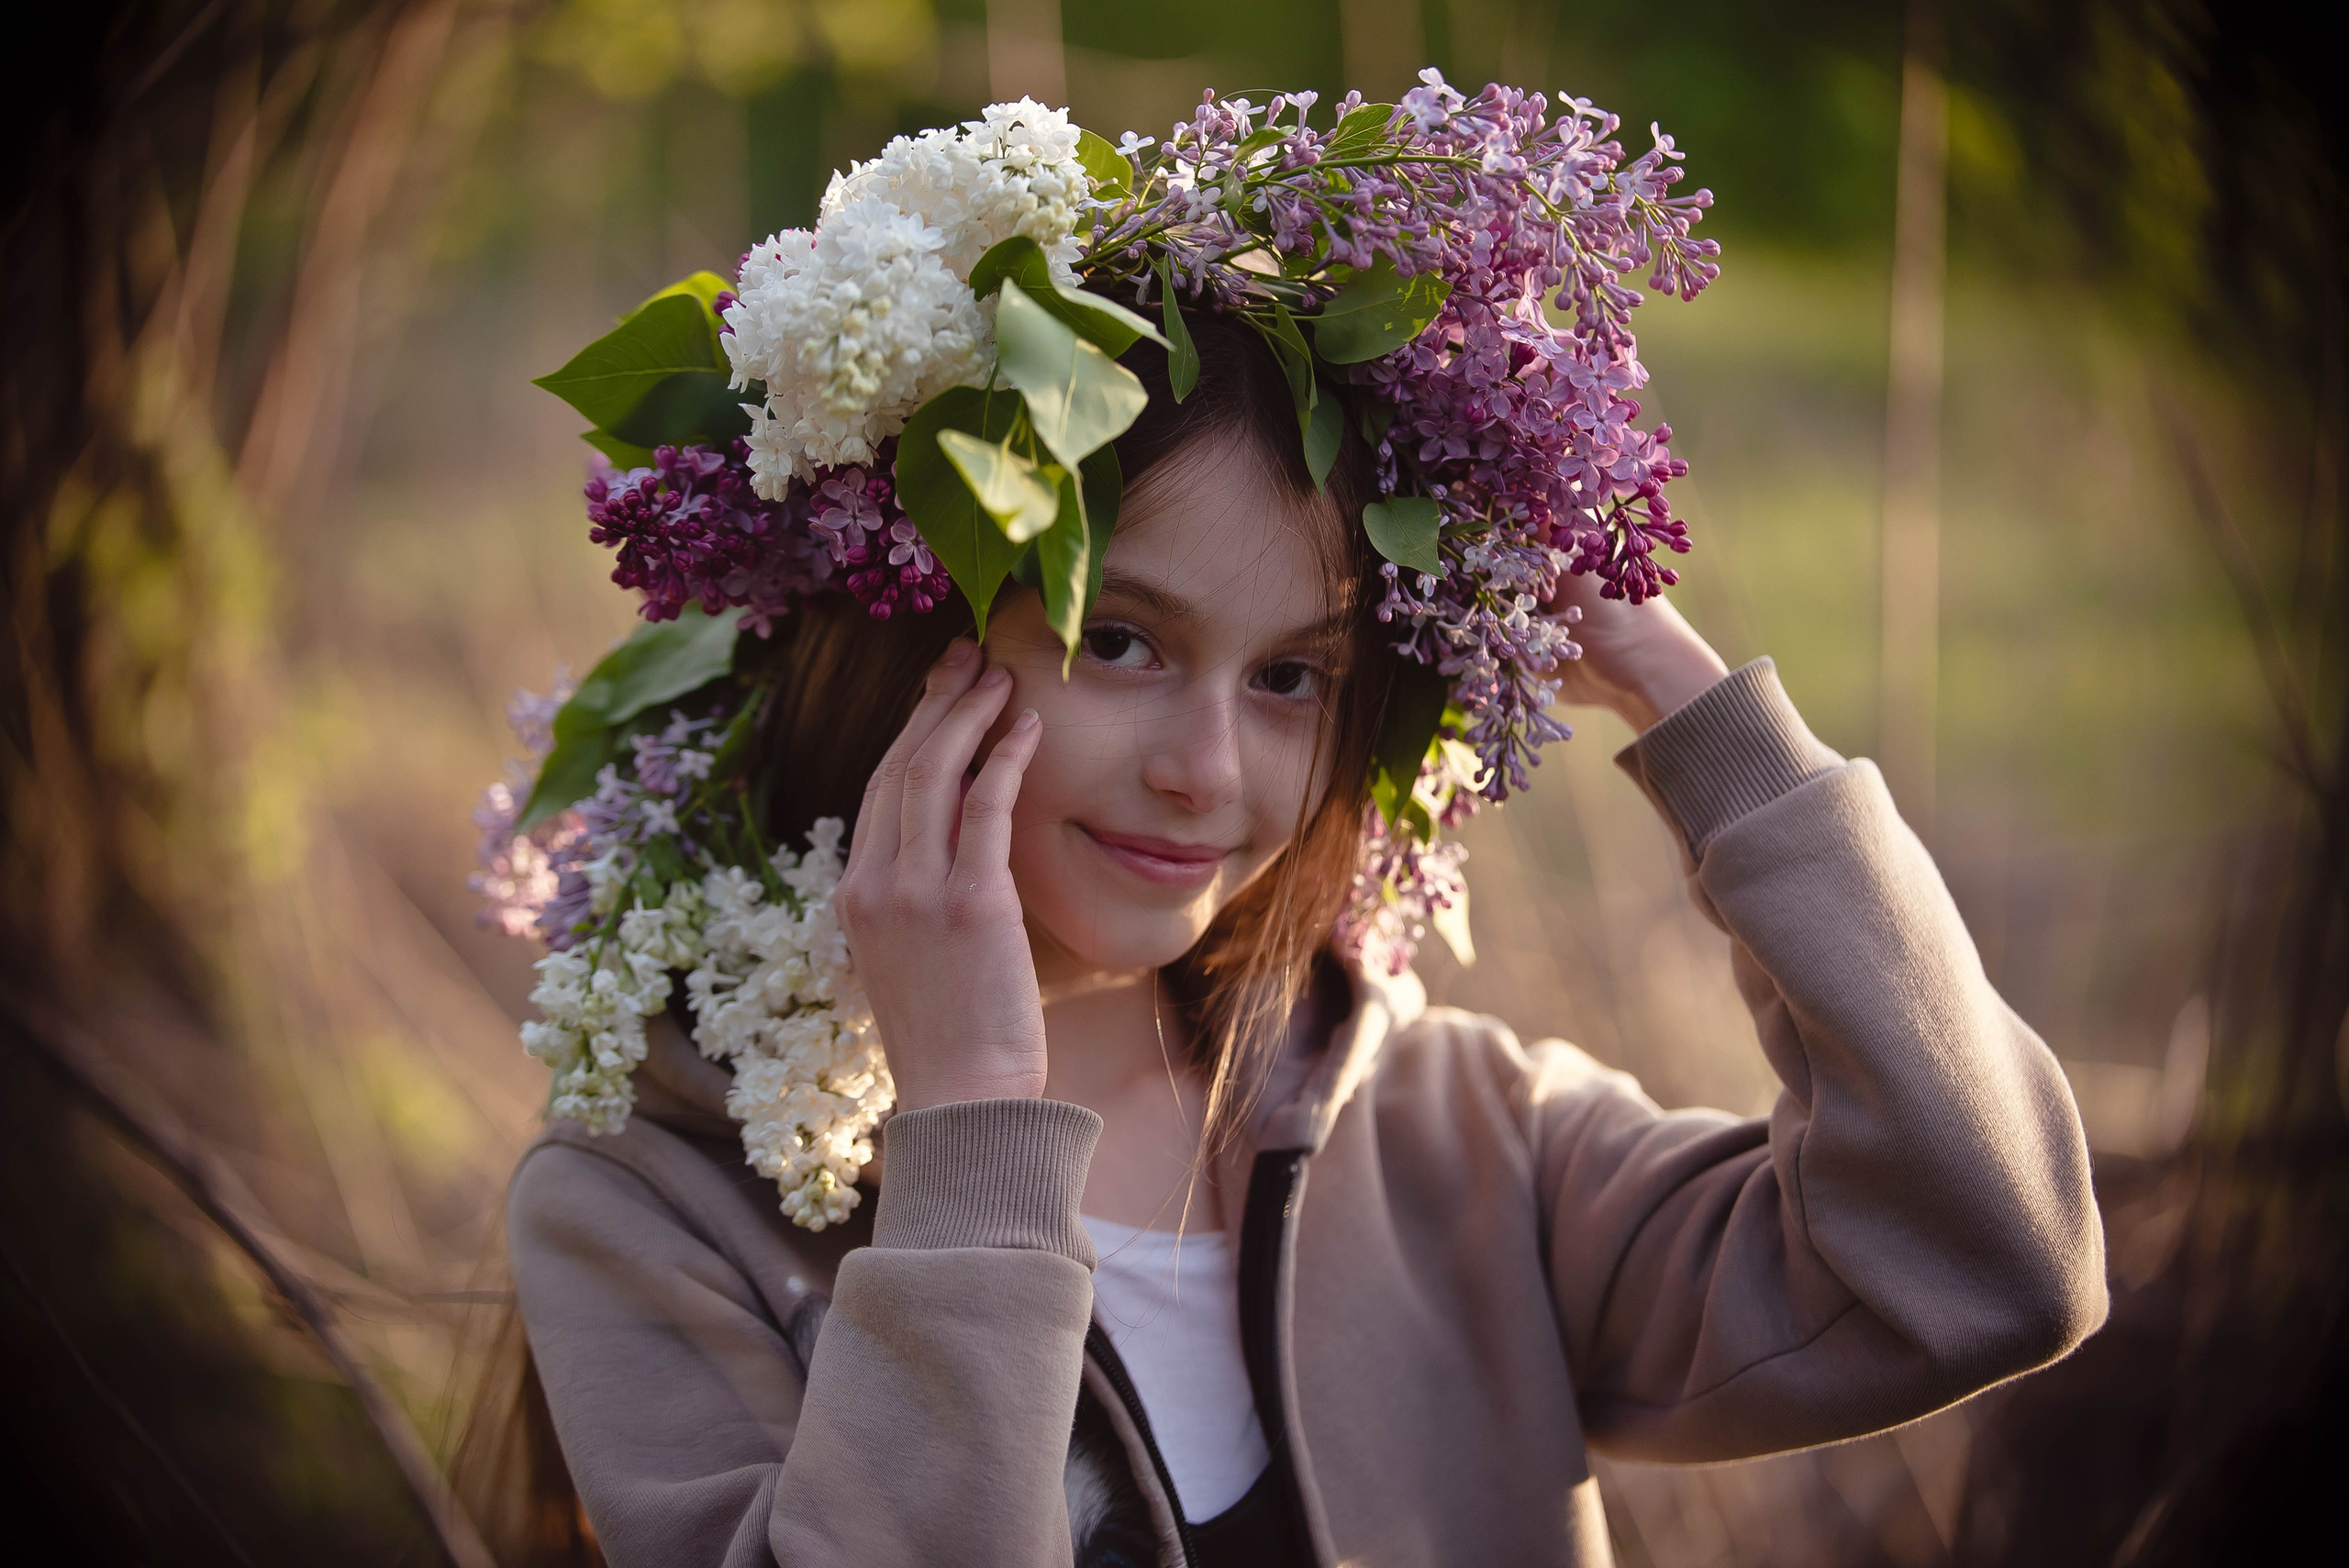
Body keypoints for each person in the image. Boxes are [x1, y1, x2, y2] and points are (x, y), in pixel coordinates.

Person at [469, 302, 2108, 1568]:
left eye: (1292, 676)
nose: (1208, 770)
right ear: (907, 636)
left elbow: (1985, 1264)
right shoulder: (655, 1202)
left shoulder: (1465, 1146)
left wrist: (1696, 713)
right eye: (1118, 639)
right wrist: (968, 1120)